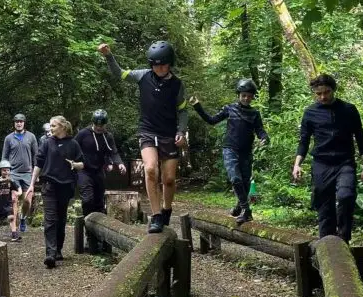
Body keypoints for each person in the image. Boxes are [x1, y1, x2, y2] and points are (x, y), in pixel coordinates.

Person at [99, 41, 189, 233]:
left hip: (169, 134)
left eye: (163, 65)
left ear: (170, 64)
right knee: (150, 169)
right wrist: (108, 55)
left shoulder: (177, 84)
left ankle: (166, 209)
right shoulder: (143, 76)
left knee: (169, 179)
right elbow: (120, 73)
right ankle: (156, 216)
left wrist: (181, 132)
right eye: (156, 65)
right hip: (147, 131)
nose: (160, 68)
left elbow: (183, 111)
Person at [291, 74, 363, 243]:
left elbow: (361, 139)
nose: (323, 97)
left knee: (346, 196)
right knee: (324, 205)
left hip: (345, 162)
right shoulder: (310, 112)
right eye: (318, 94)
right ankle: (327, 244)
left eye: (326, 92)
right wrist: (297, 165)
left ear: (333, 90)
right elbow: (304, 141)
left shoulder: (349, 110)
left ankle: (343, 239)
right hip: (321, 163)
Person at [190, 78, 269, 224]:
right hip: (230, 149)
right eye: (243, 95)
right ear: (238, 95)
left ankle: (239, 206)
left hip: (246, 152)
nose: (246, 98)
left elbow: (260, 131)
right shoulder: (229, 109)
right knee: (235, 178)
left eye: (249, 96)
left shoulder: (254, 113)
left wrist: (264, 138)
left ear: (253, 97)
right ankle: (246, 210)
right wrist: (197, 106)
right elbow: (212, 120)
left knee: (245, 181)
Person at [27, 116, 84, 268]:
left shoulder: (73, 144)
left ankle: (58, 249)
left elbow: (82, 164)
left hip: (66, 186)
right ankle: (50, 254)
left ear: (62, 127)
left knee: (61, 218)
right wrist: (32, 184)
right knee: (50, 219)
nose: (50, 128)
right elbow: (38, 163)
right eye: (50, 126)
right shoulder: (47, 143)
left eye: (53, 126)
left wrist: (75, 165)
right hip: (49, 185)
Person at [74, 109, 126, 217]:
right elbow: (73, 147)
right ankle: (87, 221)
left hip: (99, 171)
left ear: (105, 124)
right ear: (93, 122)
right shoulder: (83, 134)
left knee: (99, 201)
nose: (98, 127)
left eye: (101, 125)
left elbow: (113, 152)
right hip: (84, 171)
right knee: (87, 199)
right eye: (96, 125)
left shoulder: (108, 136)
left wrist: (120, 163)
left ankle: (99, 224)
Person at [2, 113, 38, 233]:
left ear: (24, 123)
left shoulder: (31, 137)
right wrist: (5, 173)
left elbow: (36, 155)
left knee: (27, 201)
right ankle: (15, 228)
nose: (19, 123)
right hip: (13, 173)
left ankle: (22, 218)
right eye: (16, 121)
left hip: (27, 173)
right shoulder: (9, 138)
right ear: (14, 123)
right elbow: (4, 157)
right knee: (14, 200)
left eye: (21, 121)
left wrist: (36, 174)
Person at [0, 159, 22, 242]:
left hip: (8, 204)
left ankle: (14, 235)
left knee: (11, 218)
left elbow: (18, 188)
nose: (6, 172)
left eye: (8, 170)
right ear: (0, 171)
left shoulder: (11, 181)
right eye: (4, 170)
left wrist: (18, 193)